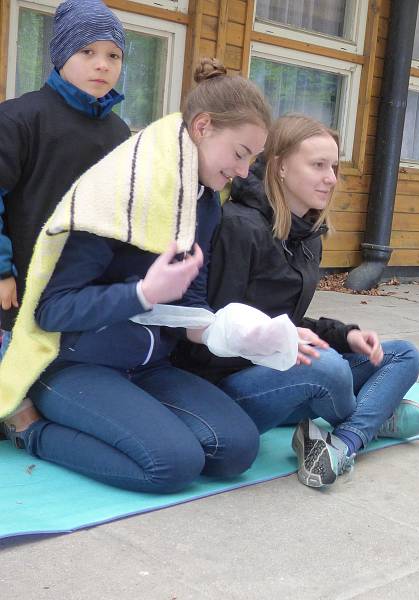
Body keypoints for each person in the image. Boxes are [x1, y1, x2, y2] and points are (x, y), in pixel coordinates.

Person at [0, 58, 285, 494]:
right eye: (240, 154)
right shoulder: (119, 190)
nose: (244, 172)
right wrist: (143, 292)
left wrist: (240, 333)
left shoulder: (204, 202)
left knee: (236, 450)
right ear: (204, 126)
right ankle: (30, 430)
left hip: (147, 363)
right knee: (171, 465)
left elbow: (189, 304)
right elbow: (51, 309)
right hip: (74, 362)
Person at [175, 114, 419, 489]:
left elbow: (291, 319)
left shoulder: (308, 236)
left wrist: (347, 336)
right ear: (279, 167)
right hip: (229, 386)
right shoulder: (238, 228)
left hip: (287, 374)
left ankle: (341, 443)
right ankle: (371, 418)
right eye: (318, 165)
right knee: (327, 367)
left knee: (403, 354)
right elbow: (212, 333)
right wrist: (283, 344)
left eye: (335, 167)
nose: (332, 178)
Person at [0, 0, 130, 359]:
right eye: (87, 51)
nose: (102, 63)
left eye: (113, 55)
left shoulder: (120, 133)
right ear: (60, 54)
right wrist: (1, 272)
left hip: (81, 302)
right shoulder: (18, 118)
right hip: (17, 293)